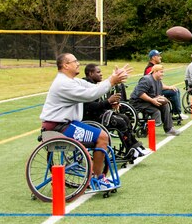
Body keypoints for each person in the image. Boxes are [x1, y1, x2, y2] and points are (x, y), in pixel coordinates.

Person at [40, 54, 132, 182]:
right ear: (66, 65)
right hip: (58, 127)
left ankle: (96, 174)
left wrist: (113, 78)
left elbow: (94, 88)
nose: (78, 63)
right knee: (102, 137)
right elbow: (90, 95)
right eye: (75, 61)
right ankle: (97, 177)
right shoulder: (64, 83)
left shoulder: (72, 81)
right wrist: (112, 81)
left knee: (101, 135)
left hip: (64, 125)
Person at [83, 63, 151, 162]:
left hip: (97, 115)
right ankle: (131, 148)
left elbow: (99, 104)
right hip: (90, 118)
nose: (101, 74)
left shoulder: (94, 85)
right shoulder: (87, 86)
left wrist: (110, 104)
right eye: (98, 72)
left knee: (125, 118)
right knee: (119, 122)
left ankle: (133, 146)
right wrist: (108, 102)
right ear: (90, 74)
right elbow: (89, 107)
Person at [132, 63, 180, 136]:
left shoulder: (157, 80)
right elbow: (141, 94)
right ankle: (149, 127)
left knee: (165, 105)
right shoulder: (146, 79)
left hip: (148, 101)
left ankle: (169, 129)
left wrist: (169, 87)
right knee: (156, 111)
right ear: (155, 71)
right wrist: (152, 100)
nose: (163, 74)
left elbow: (161, 86)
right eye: (161, 72)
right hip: (138, 102)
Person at [144, 50, 185, 120]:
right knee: (174, 91)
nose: (160, 57)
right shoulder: (150, 69)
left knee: (175, 89)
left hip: (156, 89)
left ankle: (176, 111)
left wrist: (169, 87)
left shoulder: (154, 67)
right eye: (158, 56)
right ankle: (178, 112)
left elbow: (159, 83)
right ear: (153, 57)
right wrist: (169, 87)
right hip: (152, 92)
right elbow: (155, 84)